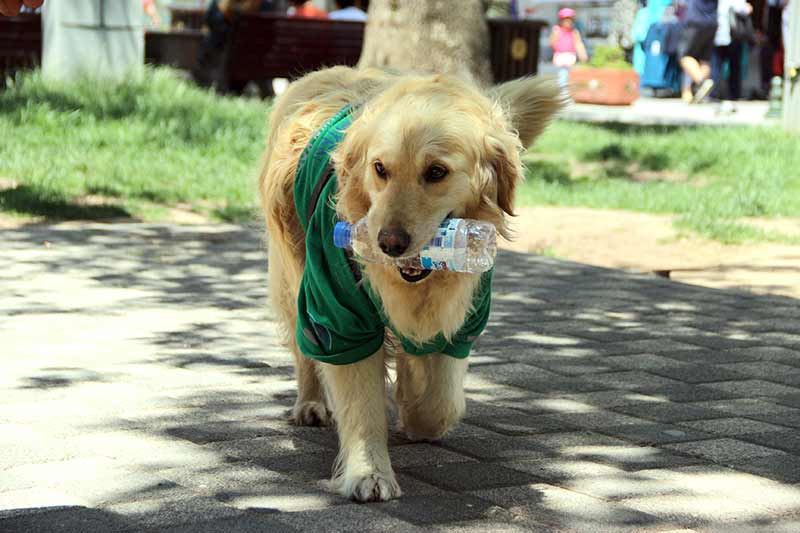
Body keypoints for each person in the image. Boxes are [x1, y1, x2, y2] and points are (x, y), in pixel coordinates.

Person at [711, 0, 753, 111]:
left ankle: (714, 92)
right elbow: (744, 10)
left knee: (716, 66)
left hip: (718, 35)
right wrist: (748, 8)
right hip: (732, 36)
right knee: (734, 66)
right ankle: (733, 94)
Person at [679, 0, 719, 103]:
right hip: (712, 23)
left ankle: (701, 82)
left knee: (684, 56)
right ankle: (699, 92)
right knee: (705, 59)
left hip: (695, 21)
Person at [549, 8, 589, 88]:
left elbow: (578, 44)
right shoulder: (557, 30)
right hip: (560, 56)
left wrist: (583, 55)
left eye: (570, 20)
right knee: (562, 74)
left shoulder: (574, 32)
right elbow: (552, 43)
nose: (569, 22)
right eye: (566, 20)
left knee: (567, 74)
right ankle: (562, 90)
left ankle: (564, 89)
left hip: (570, 56)